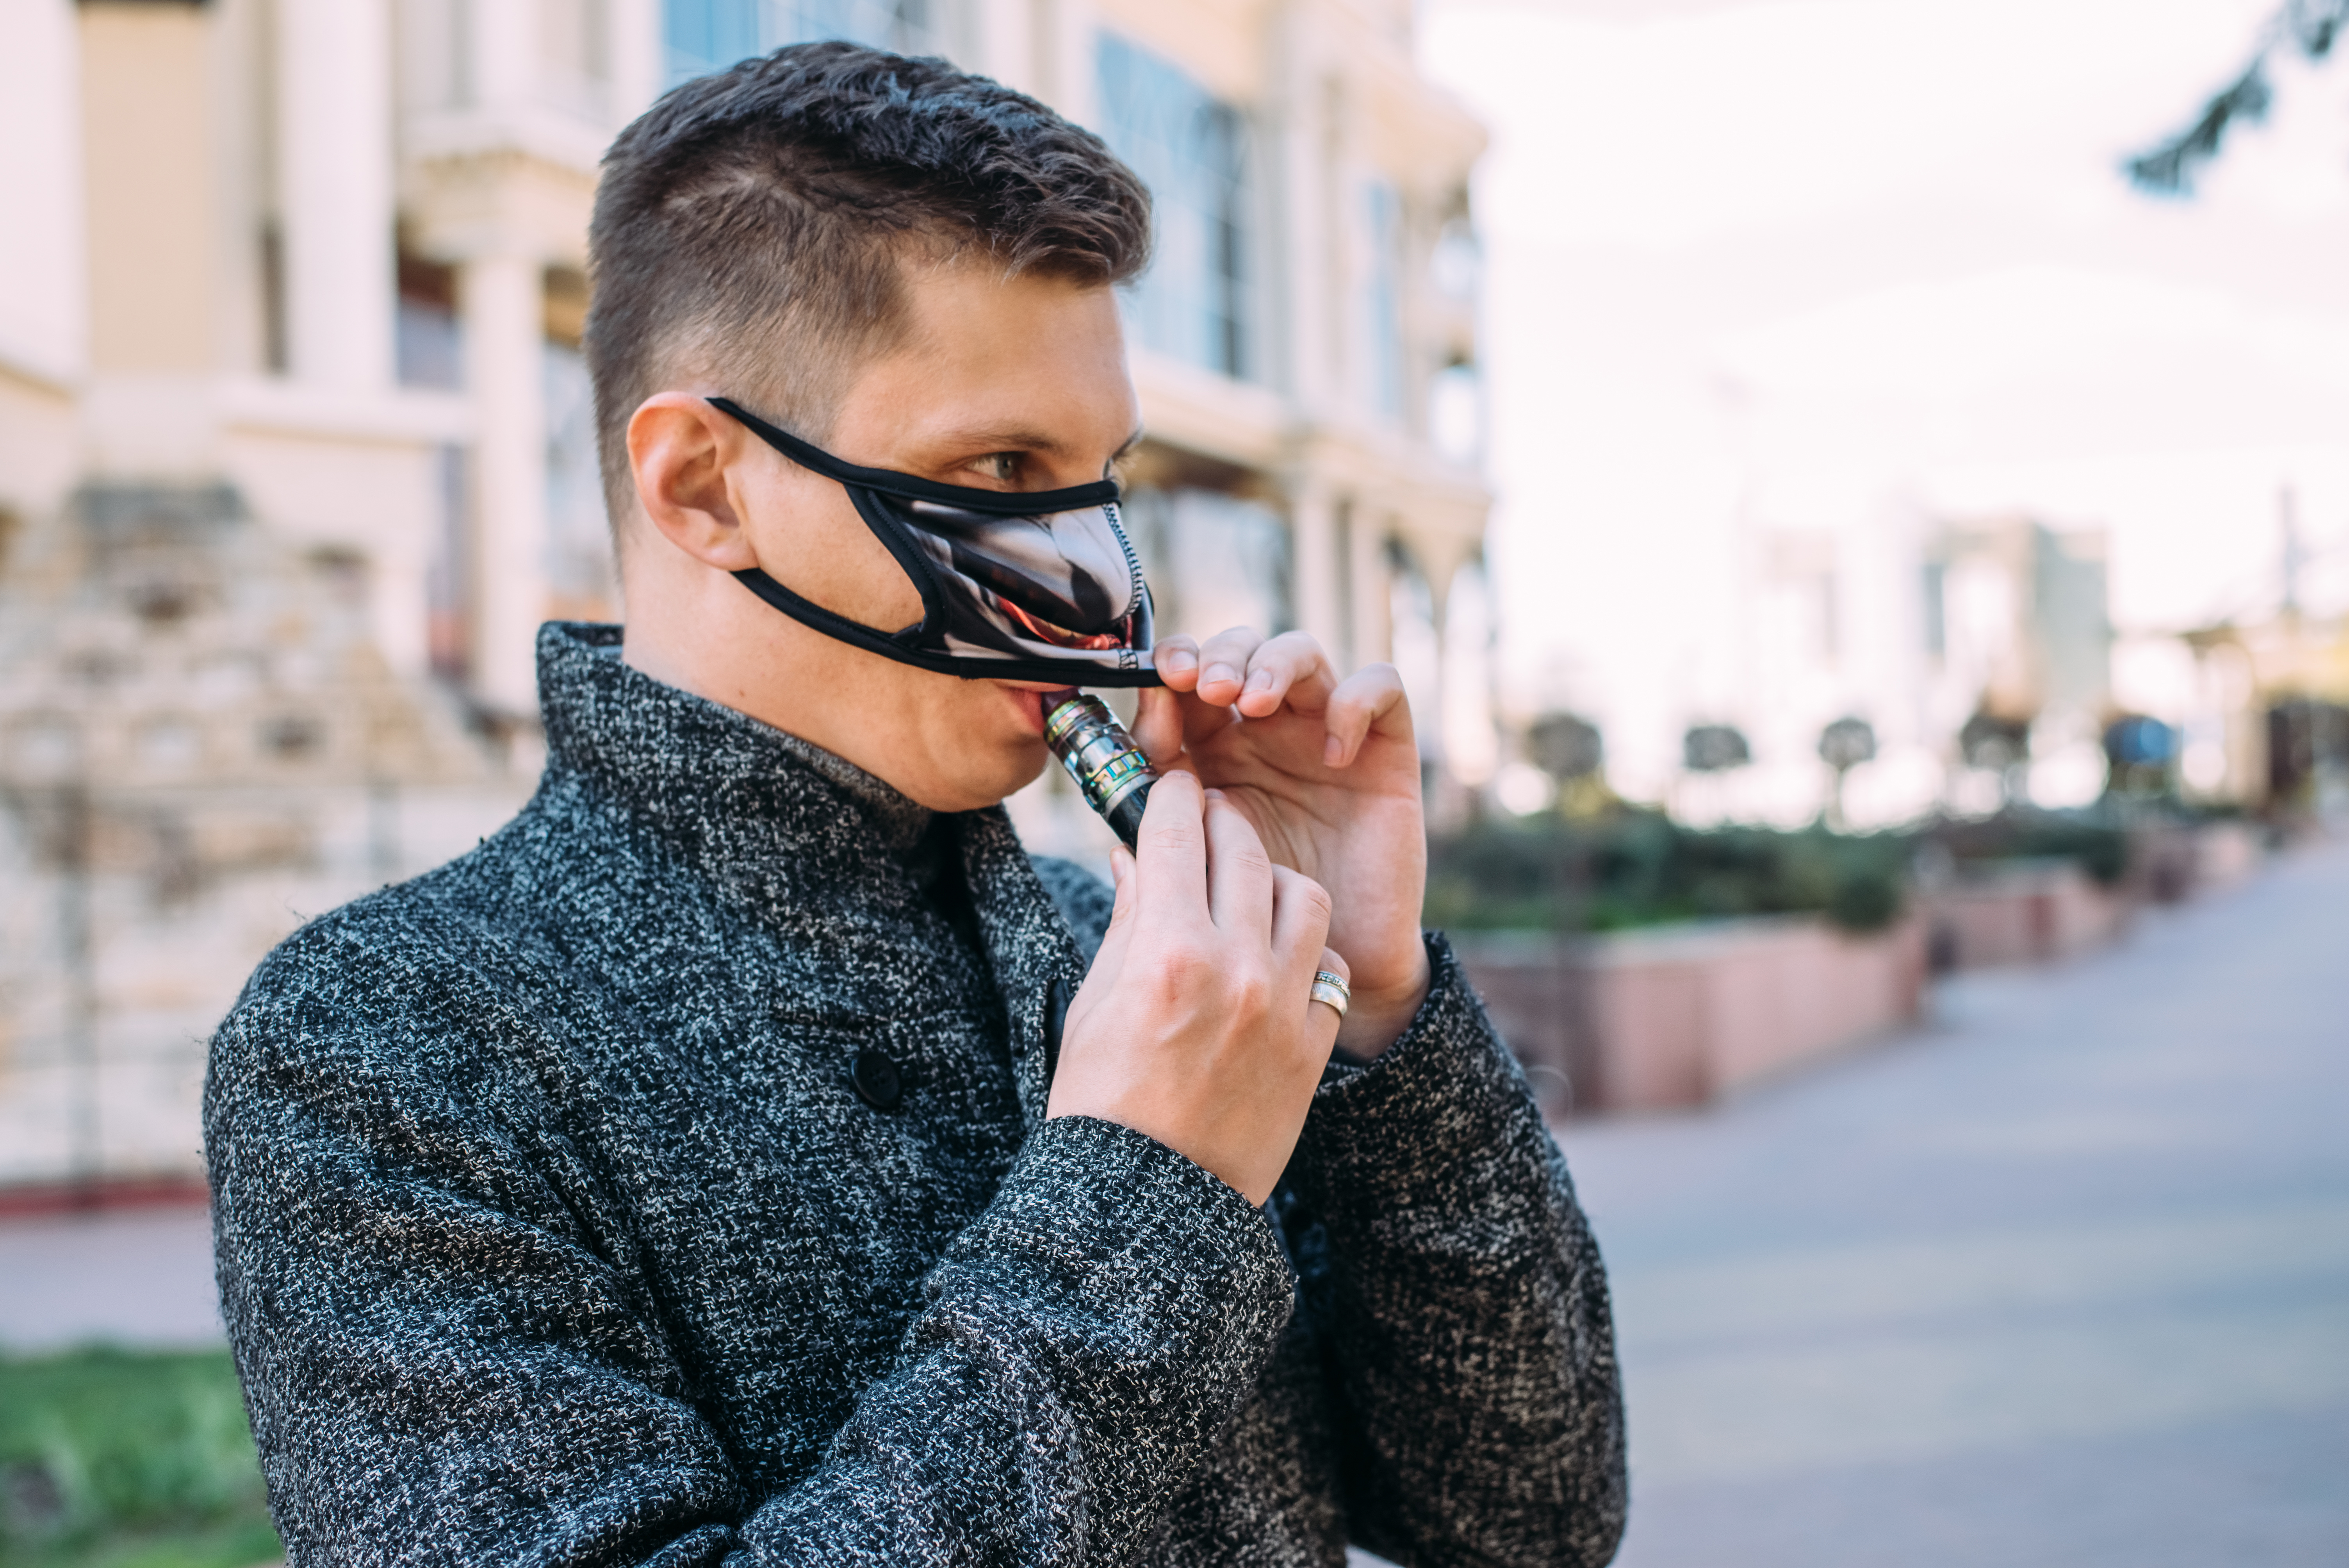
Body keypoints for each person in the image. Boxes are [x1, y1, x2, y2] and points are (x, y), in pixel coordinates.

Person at [206, 41, 1625, 1568]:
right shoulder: (381, 1041)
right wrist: (1146, 1188)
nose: (1089, 582)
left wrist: (1373, 1001)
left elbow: (1526, 1519)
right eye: (1003, 469)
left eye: (1099, 481)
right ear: (702, 487)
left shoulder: (1129, 953)